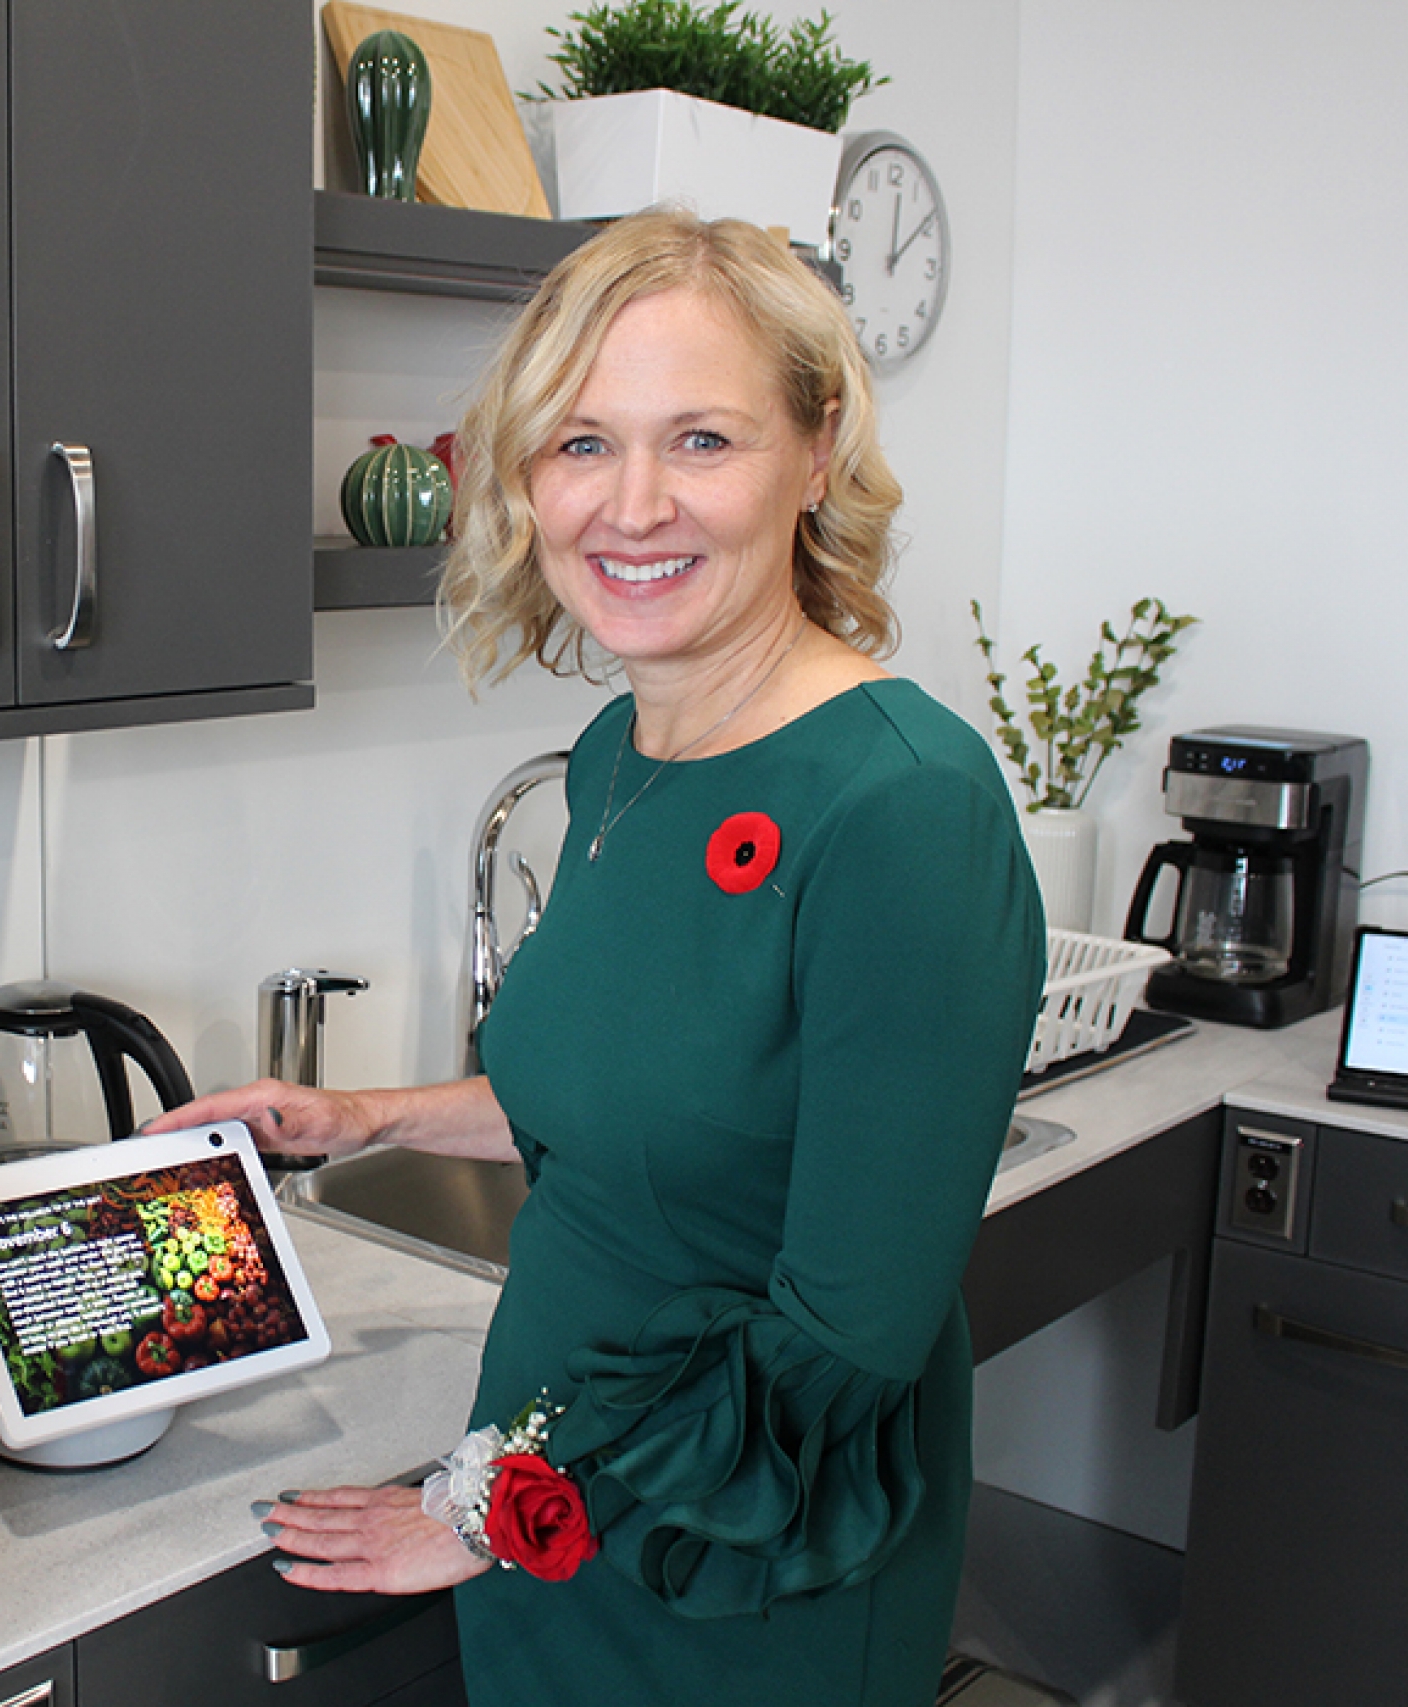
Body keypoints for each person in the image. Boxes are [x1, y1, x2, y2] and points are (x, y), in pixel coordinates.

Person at [150, 208, 1045, 1707]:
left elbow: (847, 1339)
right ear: (522, 479)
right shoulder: (622, 751)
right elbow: (630, 1106)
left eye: (702, 440)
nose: (633, 506)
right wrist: (364, 1123)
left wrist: (482, 1506)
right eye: (580, 444)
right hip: (553, 1499)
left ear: (815, 454)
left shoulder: (904, 808)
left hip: (741, 1568)